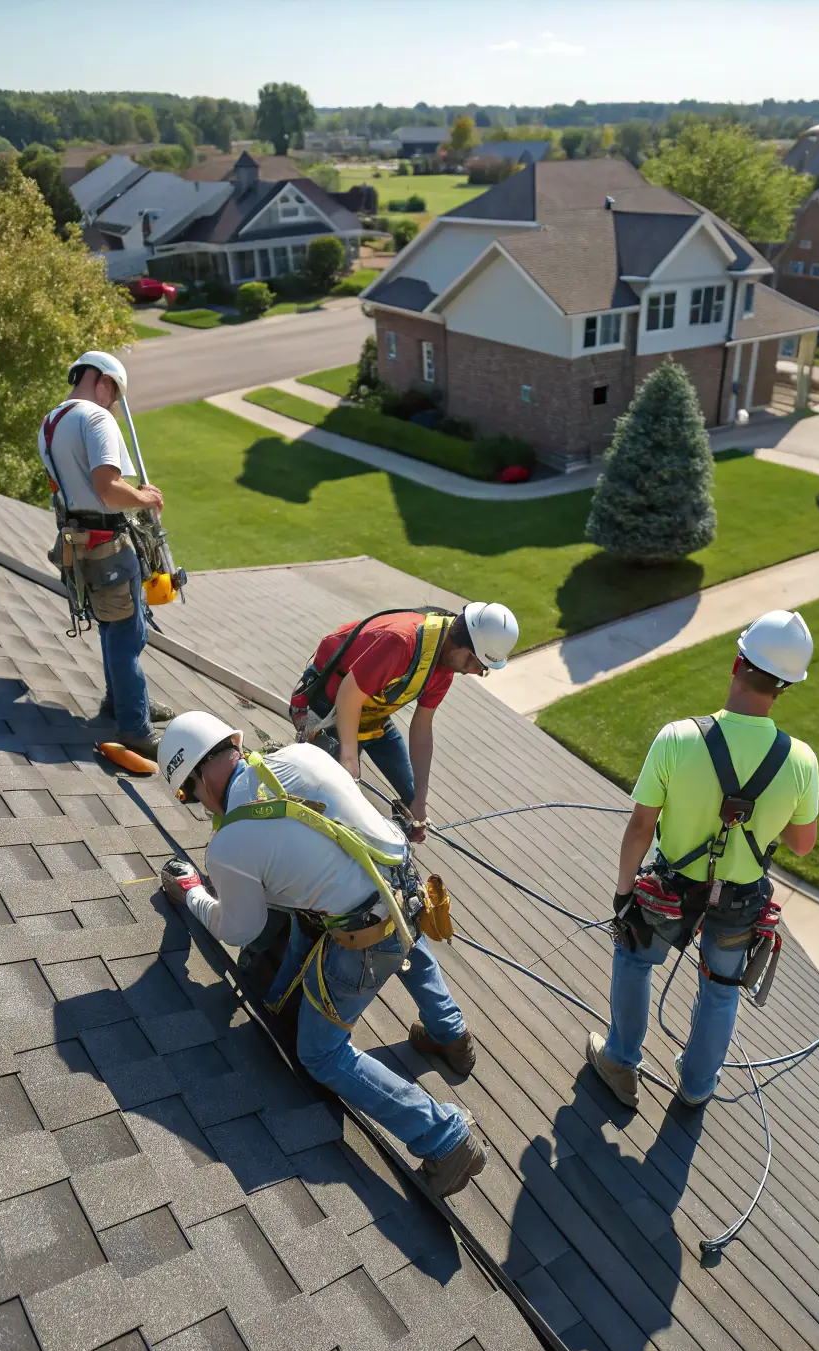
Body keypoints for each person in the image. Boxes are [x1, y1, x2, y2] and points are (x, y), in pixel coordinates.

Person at [157, 711, 487, 1198]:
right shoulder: (300, 754)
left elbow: (238, 927)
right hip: (404, 889)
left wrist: (193, 894)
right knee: (401, 935)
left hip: (365, 937)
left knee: (320, 1053)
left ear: (201, 774)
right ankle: (450, 1033)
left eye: (187, 793)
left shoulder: (229, 845)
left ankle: (444, 1138)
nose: (196, 804)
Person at [587, 610, 819, 1110]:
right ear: (786, 687)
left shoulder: (678, 737)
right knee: (721, 988)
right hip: (739, 903)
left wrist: (624, 894)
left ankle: (621, 1061)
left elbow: (640, 827)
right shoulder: (800, 760)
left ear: (738, 663)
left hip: (668, 893)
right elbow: (802, 844)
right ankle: (695, 1087)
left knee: (633, 959)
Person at [38, 351, 173, 761]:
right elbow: (108, 487)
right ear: (102, 381)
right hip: (107, 545)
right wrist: (144, 497)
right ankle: (134, 726)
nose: (112, 402)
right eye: (113, 392)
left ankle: (124, 702)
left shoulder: (51, 422)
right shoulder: (96, 419)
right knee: (128, 637)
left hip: (81, 542)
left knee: (115, 630)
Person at [291, 603, 519, 838]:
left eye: (481, 668)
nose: (471, 671)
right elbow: (348, 695)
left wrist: (420, 800)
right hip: (331, 707)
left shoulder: (444, 666)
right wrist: (349, 761)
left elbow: (422, 729)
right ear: (461, 640)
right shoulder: (401, 641)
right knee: (331, 800)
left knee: (414, 806)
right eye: (472, 662)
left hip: (371, 716)